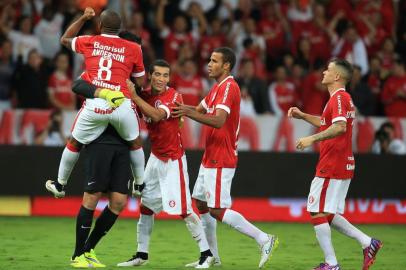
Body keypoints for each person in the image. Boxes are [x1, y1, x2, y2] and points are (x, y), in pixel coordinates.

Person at [172, 47, 278, 269]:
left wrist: (186, 112)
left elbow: (218, 120)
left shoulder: (230, 87)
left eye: (214, 61)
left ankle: (264, 238)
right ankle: (212, 257)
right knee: (200, 202)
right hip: (210, 155)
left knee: (217, 209)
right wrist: (176, 109)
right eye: (209, 60)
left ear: (226, 65)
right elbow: (199, 110)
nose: (209, 64)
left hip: (222, 155)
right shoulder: (216, 88)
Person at [115, 60, 215, 268]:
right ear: (150, 76)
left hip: (173, 160)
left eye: (165, 75)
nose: (162, 79)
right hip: (155, 158)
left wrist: (134, 96)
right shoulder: (146, 95)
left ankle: (207, 254)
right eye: (158, 75)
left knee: (185, 210)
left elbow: (156, 115)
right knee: (146, 206)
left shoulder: (174, 96)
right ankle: (142, 254)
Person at [287, 58, 382, 270]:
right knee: (326, 212)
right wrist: (303, 116)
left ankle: (331, 264)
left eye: (328, 70)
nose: (323, 72)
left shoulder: (339, 98)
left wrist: (311, 139)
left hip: (333, 162)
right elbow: (327, 123)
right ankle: (368, 243)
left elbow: (339, 127)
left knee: (315, 209)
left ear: (337, 76)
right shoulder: (340, 99)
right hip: (341, 162)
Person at [45, 7, 146, 199]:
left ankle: (60, 185)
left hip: (96, 103)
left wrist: (83, 17)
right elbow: (140, 82)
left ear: (100, 26)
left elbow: (65, 39)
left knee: (74, 142)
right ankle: (139, 185)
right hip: (121, 102)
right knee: (135, 142)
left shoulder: (90, 40)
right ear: (120, 29)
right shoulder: (134, 48)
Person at [70, 125, 132, 268]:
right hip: (99, 143)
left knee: (119, 202)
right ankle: (77, 255)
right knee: (92, 197)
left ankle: (88, 250)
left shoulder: (133, 101)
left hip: (123, 144)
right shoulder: (95, 102)